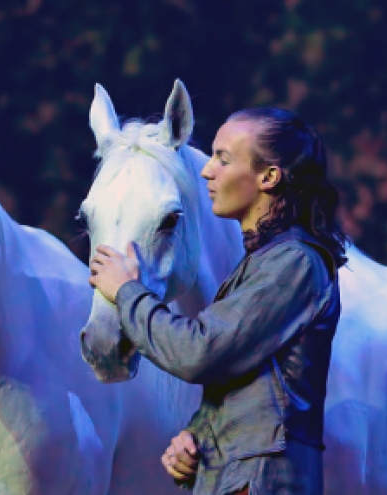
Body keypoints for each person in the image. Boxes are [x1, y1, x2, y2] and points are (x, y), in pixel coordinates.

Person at [88, 107, 348, 494]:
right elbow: (246, 385)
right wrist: (195, 441)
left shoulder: (293, 262)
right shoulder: (267, 262)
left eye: (223, 159)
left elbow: (202, 352)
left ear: (269, 177)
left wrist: (127, 292)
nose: (207, 171)